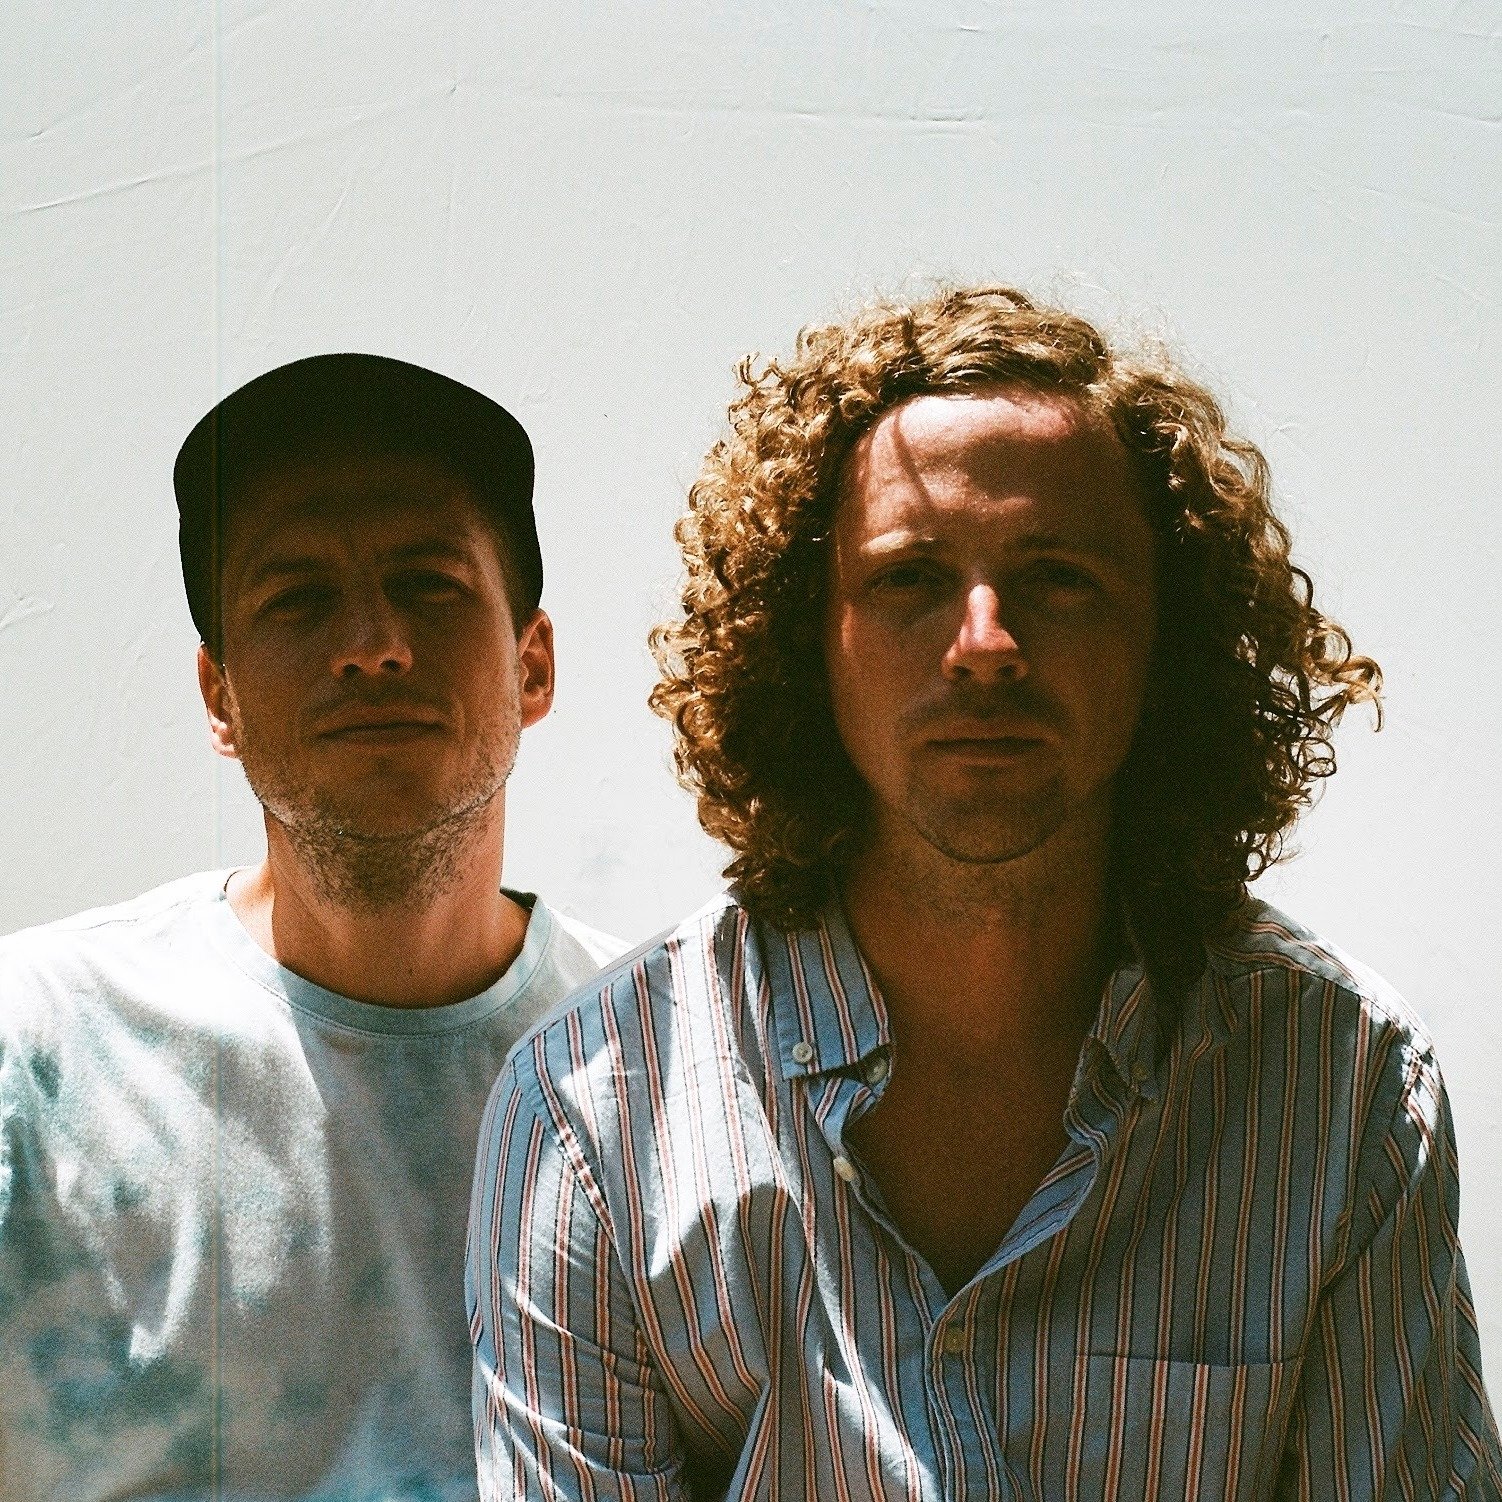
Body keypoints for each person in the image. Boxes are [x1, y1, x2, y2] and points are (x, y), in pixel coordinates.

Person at [467, 286, 1502, 1500]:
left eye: (1056, 577)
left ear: (1165, 635)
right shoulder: (593, 1117)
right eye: (908, 578)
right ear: (804, 639)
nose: (984, 642)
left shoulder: (1338, 1084)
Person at [0, 354, 625, 1501]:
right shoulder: (38, 1049)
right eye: (295, 598)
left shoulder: (654, 1063)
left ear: (531, 664)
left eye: (429, 583)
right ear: (220, 697)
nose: (372, 642)